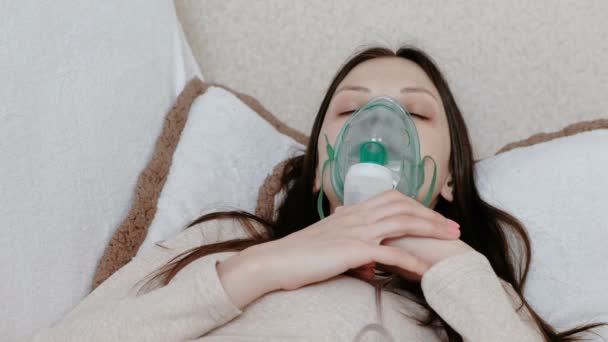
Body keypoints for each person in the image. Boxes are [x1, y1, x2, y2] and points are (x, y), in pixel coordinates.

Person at [31, 46, 605, 342]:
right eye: (352, 109)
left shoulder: (481, 298)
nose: (379, 129)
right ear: (316, 165)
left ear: (451, 176)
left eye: (414, 113)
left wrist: (457, 269)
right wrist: (262, 268)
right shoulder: (223, 244)